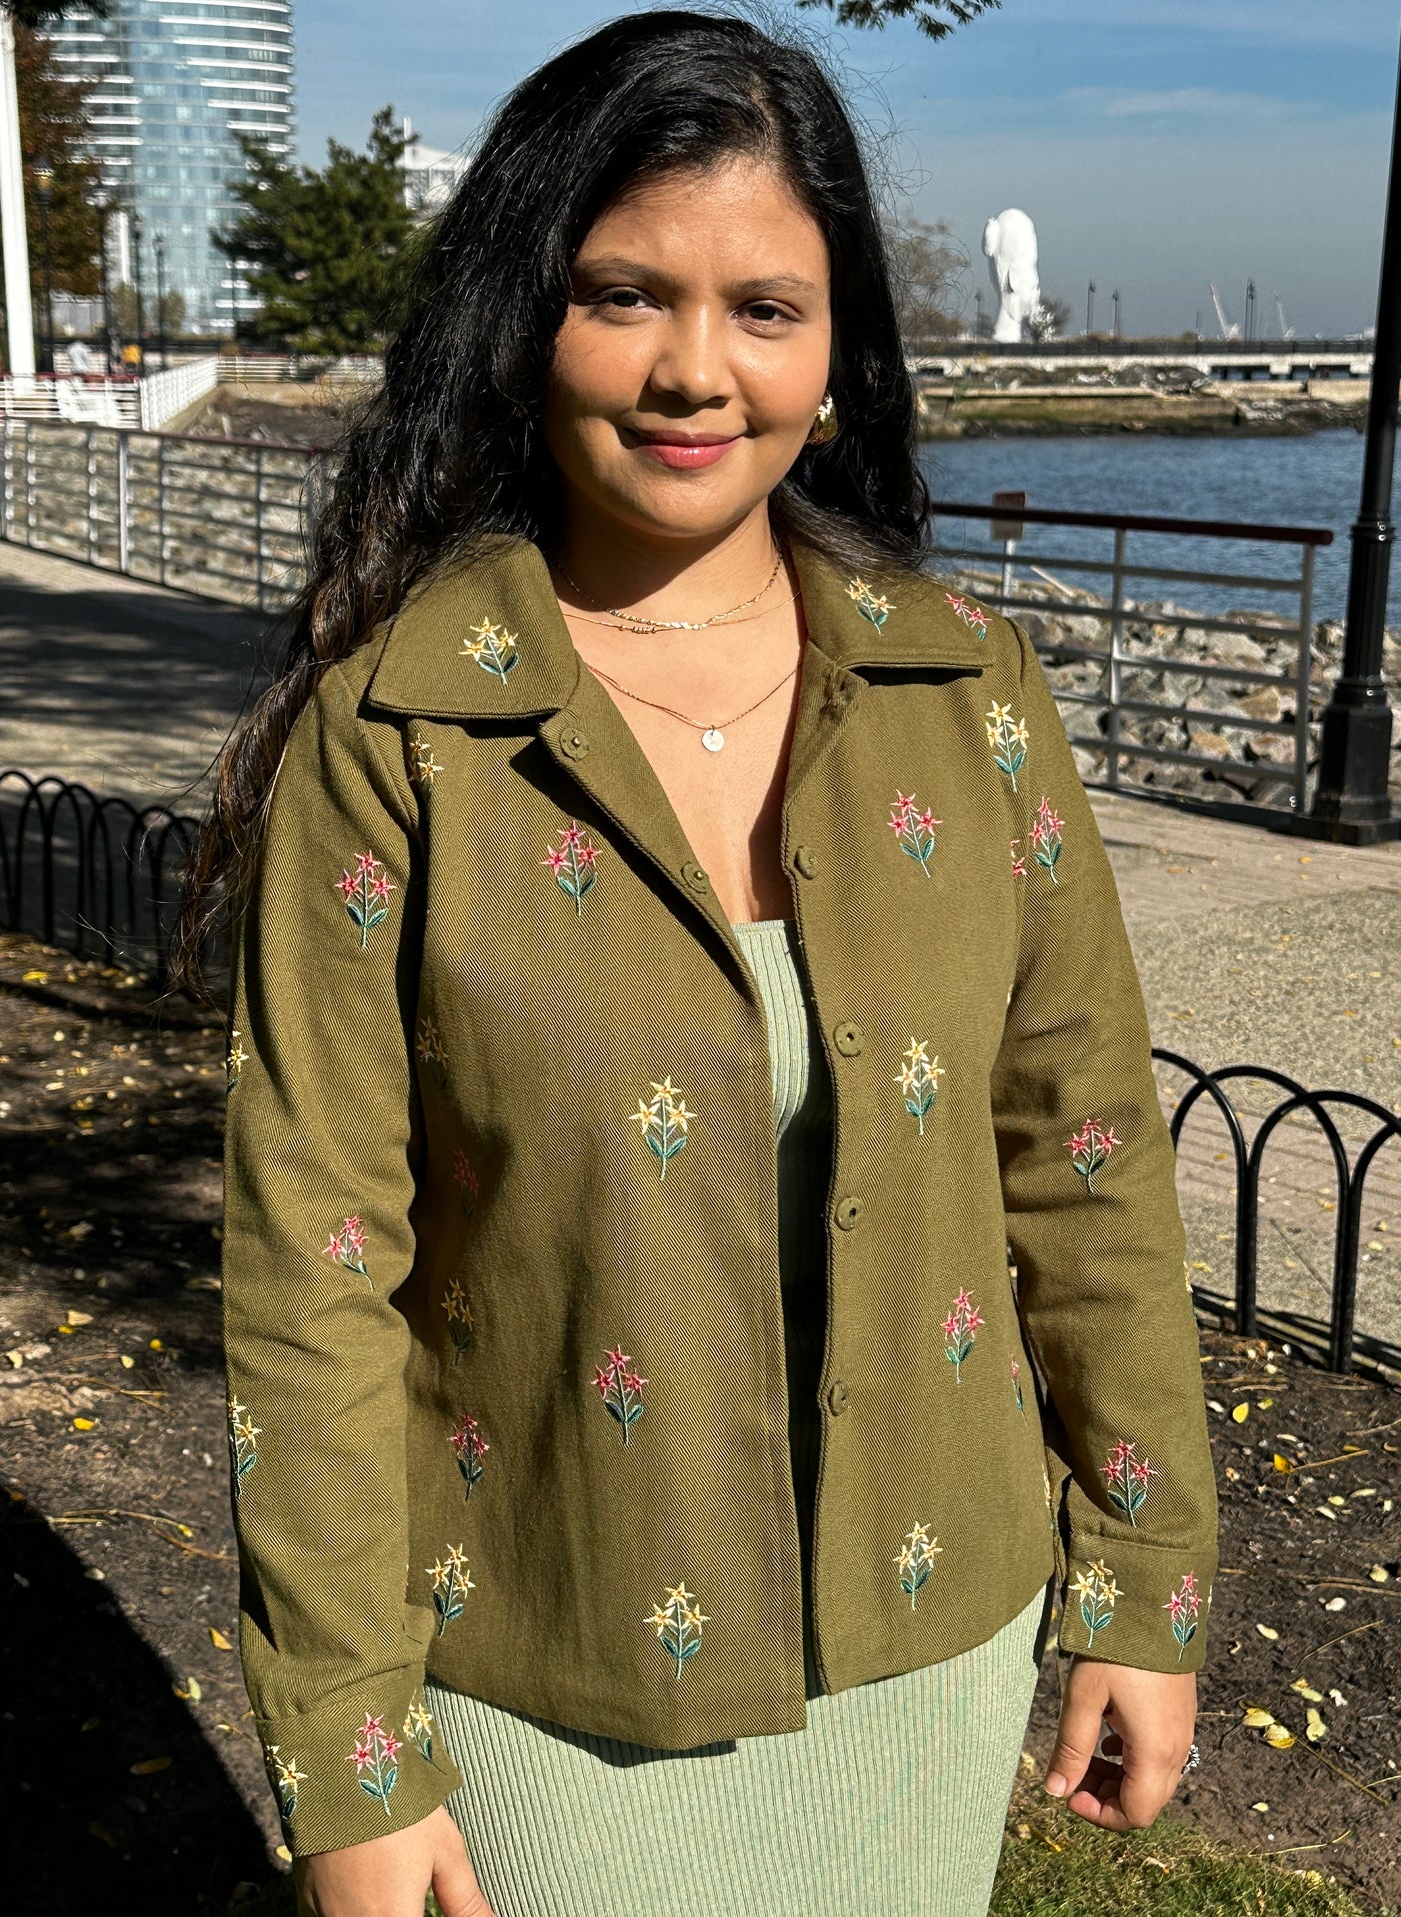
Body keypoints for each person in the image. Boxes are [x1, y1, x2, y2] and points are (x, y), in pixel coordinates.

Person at [175, 13, 1218, 1916]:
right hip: (547, 1667)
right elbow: (313, 1275)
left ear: (836, 359)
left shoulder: (964, 696)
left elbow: (1085, 1161)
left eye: (764, 307)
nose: (691, 370)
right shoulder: (402, 738)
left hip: (927, 1638)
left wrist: (1140, 1574)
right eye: (624, 295)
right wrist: (351, 1760)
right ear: (526, 323)